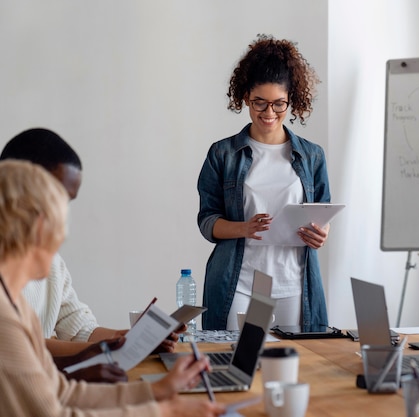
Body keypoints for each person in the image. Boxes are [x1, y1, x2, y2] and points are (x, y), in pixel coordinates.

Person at [0, 159, 225, 416]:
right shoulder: (5, 320)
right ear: (41, 227)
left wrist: (158, 390)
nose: (62, 238)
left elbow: (63, 393)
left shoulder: (16, 306)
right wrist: (163, 411)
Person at [0, 128, 179, 382]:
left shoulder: (51, 264)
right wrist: (105, 349)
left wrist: (129, 339)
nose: (61, 215)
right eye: (56, 197)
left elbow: (77, 327)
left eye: (66, 202)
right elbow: (22, 345)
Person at [197, 34, 331, 330]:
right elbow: (207, 222)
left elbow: (322, 213)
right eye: (260, 103)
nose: (269, 113)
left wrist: (321, 233)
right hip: (239, 281)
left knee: (294, 364)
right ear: (246, 97)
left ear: (291, 100)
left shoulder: (312, 156)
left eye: (279, 104)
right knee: (235, 363)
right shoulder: (223, 154)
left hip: (294, 281)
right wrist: (244, 228)